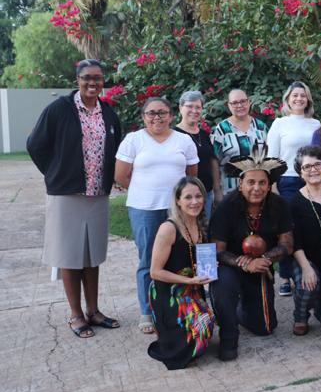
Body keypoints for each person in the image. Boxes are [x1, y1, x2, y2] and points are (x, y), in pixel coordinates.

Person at [27, 59, 122, 338]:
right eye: (87, 77)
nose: (93, 82)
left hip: (97, 194)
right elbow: (35, 144)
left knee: (92, 256)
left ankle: (93, 311)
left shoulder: (108, 112)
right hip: (66, 194)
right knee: (69, 256)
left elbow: (115, 147)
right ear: (77, 79)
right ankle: (76, 315)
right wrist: (55, 173)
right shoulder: (59, 109)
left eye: (98, 78)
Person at [115, 97, 198, 334]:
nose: (157, 117)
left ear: (171, 115)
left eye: (162, 112)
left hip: (178, 210)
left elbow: (191, 175)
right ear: (143, 117)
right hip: (145, 208)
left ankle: (179, 305)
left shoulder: (184, 140)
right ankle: (147, 311)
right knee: (148, 259)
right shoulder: (134, 140)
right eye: (151, 113)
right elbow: (121, 176)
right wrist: (144, 190)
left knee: (181, 256)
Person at [208, 146, 292, 361]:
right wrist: (243, 263)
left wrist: (265, 259)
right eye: (251, 182)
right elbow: (217, 251)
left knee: (265, 327)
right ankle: (228, 335)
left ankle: (239, 309)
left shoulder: (279, 205)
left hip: (260, 266)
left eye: (262, 183)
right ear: (240, 183)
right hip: (229, 266)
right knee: (224, 286)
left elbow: (286, 245)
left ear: (269, 185)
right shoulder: (226, 207)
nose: (257, 188)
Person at [147, 176, 216, 369]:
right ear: (178, 200)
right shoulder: (168, 228)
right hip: (167, 293)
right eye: (188, 197)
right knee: (199, 328)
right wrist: (190, 280)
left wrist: (209, 267)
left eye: (198, 196)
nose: (194, 202)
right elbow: (155, 272)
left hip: (191, 290)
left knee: (207, 322)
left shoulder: (201, 226)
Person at [267, 81, 321, 296]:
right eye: (295, 95)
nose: (299, 98)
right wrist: (273, 185)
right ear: (288, 99)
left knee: (309, 226)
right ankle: (285, 276)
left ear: (308, 99)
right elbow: (271, 157)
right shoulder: (280, 124)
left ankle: (307, 271)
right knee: (287, 228)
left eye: (303, 95)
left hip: (311, 179)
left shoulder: (315, 123)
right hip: (287, 180)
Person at [288, 146, 321, 336]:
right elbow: (295, 240)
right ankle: (300, 315)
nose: (313, 170)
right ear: (300, 173)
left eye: (318, 164)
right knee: (308, 283)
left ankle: (320, 300)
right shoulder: (294, 202)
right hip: (306, 258)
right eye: (307, 167)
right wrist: (306, 267)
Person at [211, 88, 268, 197]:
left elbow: (268, 158)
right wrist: (217, 190)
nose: (240, 105)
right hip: (231, 190)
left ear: (249, 102)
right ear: (229, 105)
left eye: (243, 101)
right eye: (235, 103)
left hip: (258, 189)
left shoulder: (261, 127)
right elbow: (214, 161)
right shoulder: (221, 129)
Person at [174, 90, 220, 219]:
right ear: (180, 108)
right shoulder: (174, 135)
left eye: (198, 107)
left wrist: (217, 190)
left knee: (204, 229)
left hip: (206, 193)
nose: (194, 111)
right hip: (185, 195)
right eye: (189, 106)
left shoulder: (204, 135)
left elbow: (212, 162)